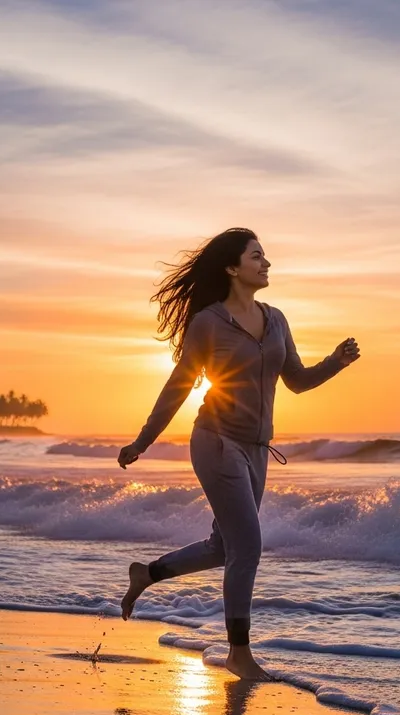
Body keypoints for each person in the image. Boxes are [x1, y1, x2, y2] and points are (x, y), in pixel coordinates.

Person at [117, 228, 360, 680]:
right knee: (248, 545)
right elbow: (178, 387)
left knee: (224, 548)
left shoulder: (277, 319)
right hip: (216, 441)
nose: (266, 263)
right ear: (233, 268)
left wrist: (336, 362)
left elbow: (298, 381)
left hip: (257, 449)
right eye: (257, 256)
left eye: (265, 256)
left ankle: (146, 575)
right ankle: (239, 653)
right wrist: (143, 441)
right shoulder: (209, 322)